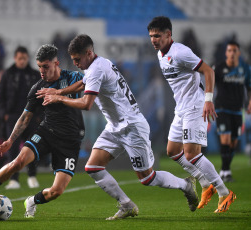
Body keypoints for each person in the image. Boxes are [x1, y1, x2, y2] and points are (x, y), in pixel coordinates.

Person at [37, 34, 199, 220]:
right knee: (93, 167)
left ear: (89, 53)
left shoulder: (97, 69)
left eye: (77, 60)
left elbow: (86, 104)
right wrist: (59, 90)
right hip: (115, 127)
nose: (75, 64)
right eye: (73, 60)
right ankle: (126, 204)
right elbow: (83, 83)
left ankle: (186, 185)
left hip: (132, 127)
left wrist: (59, 98)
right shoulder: (99, 64)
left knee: (147, 178)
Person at [0, 44, 85, 219]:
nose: (42, 70)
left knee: (57, 191)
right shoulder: (38, 88)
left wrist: (58, 93)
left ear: (56, 63)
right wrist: (10, 140)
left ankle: (32, 201)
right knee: (18, 162)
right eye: (39, 66)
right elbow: (25, 117)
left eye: (46, 66)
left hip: (69, 141)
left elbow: (85, 84)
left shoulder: (72, 77)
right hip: (46, 132)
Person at [146, 16, 236, 213]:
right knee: (172, 151)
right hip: (182, 107)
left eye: (157, 36)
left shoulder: (181, 52)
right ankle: (205, 183)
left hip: (195, 106)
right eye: (151, 36)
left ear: (169, 35)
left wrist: (208, 100)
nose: (153, 39)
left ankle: (224, 192)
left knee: (192, 154)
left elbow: (208, 71)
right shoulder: (161, 54)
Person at [0, 46, 41, 189]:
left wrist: (39, 115)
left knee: (32, 147)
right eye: (19, 58)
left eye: (24, 58)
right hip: (13, 116)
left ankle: (32, 176)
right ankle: (14, 179)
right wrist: (4, 114)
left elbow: (41, 96)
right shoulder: (7, 74)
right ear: (15, 58)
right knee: (13, 149)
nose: (22, 61)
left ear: (27, 58)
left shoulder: (35, 75)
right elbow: (1, 96)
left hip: (31, 116)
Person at [213, 41, 251, 182]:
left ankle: (225, 170)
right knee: (226, 138)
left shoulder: (245, 69)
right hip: (222, 108)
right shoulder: (219, 68)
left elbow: (249, 86)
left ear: (239, 53)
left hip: (237, 110)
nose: (232, 53)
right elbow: (210, 83)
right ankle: (226, 171)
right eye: (230, 50)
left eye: (235, 50)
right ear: (226, 53)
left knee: (234, 142)